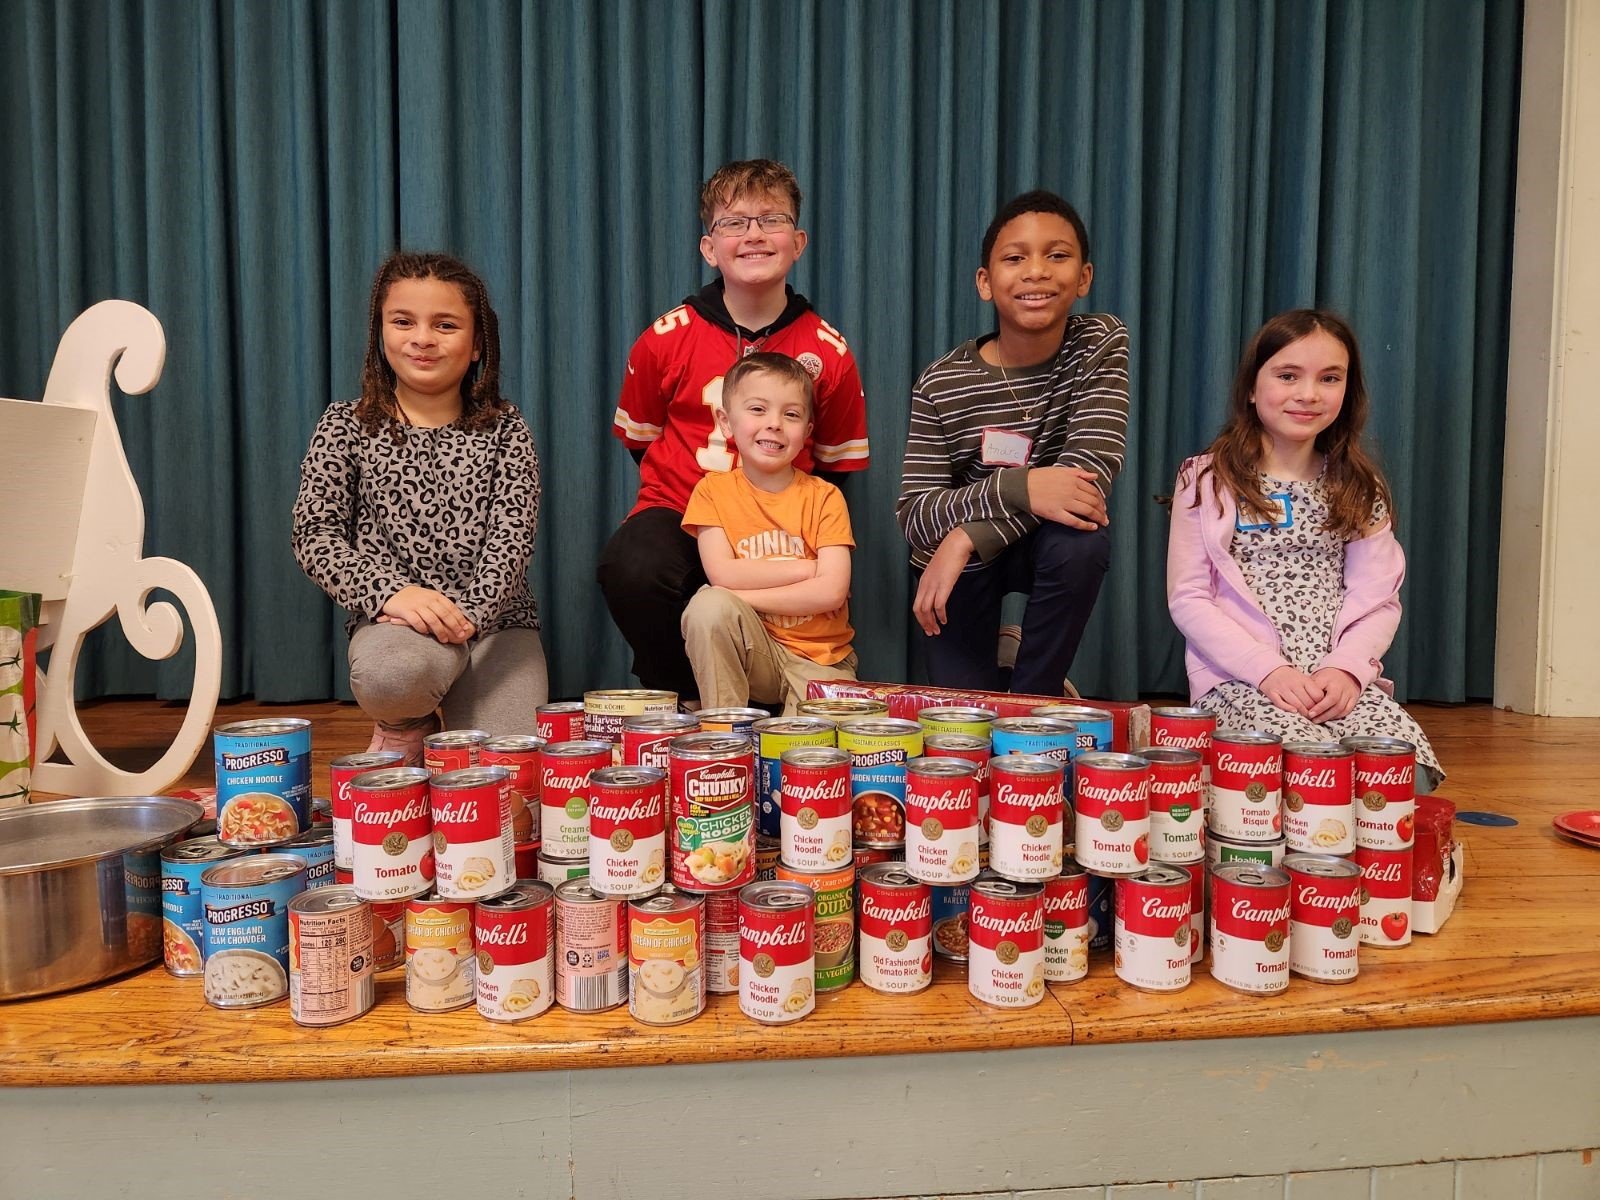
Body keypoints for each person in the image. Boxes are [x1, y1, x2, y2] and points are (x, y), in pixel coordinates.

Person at [599, 159, 870, 700]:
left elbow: (836, 466)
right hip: (682, 504)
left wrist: (777, 515)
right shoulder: (664, 337)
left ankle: (776, 686)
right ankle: (680, 694)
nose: (753, 235)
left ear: (798, 242)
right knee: (634, 565)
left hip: (784, 512)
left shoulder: (829, 351)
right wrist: (712, 499)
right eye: (734, 222)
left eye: (771, 220)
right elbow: (642, 439)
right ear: (708, 247)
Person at [1165, 308, 1443, 788]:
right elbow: (1188, 598)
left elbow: (1379, 599)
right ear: (1252, 388)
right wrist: (1268, 671)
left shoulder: (1359, 484)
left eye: (1329, 378)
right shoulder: (1208, 478)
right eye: (1288, 375)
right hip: (1243, 679)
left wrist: (1348, 670)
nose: (1309, 394)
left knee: (1402, 774)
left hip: (1335, 681)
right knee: (1304, 773)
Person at [292, 252, 546, 761]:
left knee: (508, 771)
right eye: (403, 321)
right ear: (380, 334)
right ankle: (407, 722)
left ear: (476, 346)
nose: (423, 338)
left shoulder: (506, 426)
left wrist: (468, 617)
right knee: (392, 675)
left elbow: (513, 536)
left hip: (497, 626)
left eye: (445, 325)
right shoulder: (345, 424)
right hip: (398, 626)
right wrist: (389, 593)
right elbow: (313, 534)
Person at [896, 189, 1129, 695]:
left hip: (1021, 542)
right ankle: (999, 656)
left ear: (1084, 276)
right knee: (967, 715)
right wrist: (1023, 489)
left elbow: (1085, 479)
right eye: (1015, 257)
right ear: (985, 282)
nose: (1037, 271)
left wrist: (968, 534)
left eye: (1058, 255)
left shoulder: (1101, 343)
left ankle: (1036, 696)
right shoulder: (941, 382)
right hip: (956, 567)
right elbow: (915, 515)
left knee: (1082, 540)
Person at [679, 353, 857, 714]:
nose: (774, 424)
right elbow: (722, 576)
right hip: (753, 651)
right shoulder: (712, 491)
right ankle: (724, 729)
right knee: (708, 606)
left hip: (820, 660)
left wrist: (742, 593)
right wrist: (807, 570)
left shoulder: (825, 497)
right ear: (726, 422)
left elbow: (832, 591)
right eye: (758, 409)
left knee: (803, 758)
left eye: (791, 414)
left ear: (807, 431)